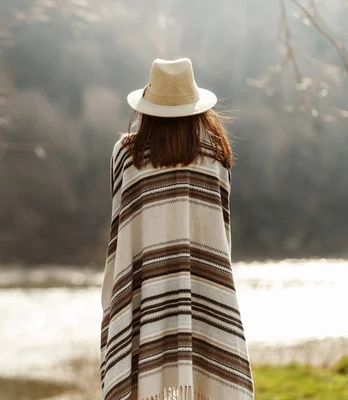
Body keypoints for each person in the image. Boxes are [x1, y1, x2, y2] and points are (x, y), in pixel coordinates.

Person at [100, 58, 255, 400]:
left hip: (144, 282)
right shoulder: (216, 154)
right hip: (205, 282)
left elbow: (120, 230)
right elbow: (221, 233)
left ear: (148, 107)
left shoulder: (126, 154)